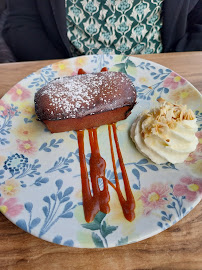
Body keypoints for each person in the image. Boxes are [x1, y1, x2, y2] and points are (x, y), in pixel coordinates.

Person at [2, 0, 202, 61]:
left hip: (163, 74)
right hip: (70, 73)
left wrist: (174, 63)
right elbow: (21, 22)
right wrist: (65, 72)